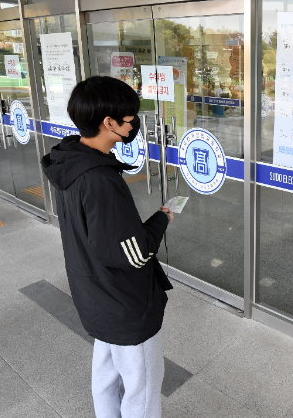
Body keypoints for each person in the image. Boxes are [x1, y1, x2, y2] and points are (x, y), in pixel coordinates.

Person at [41, 76, 174, 418]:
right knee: (141, 384)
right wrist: (162, 219)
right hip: (123, 302)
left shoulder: (70, 160)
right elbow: (133, 253)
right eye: (130, 118)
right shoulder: (99, 179)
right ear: (109, 123)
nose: (134, 124)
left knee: (106, 375)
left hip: (94, 293)